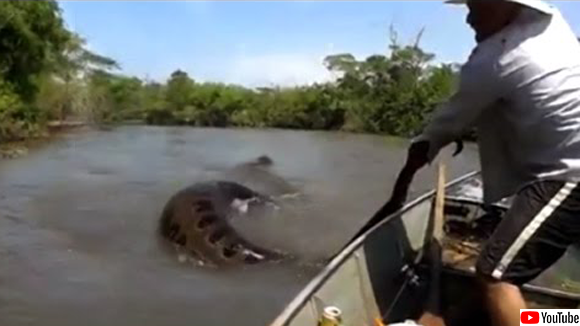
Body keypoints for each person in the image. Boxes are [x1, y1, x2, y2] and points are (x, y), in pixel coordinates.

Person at [407, 1, 580, 326]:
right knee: (501, 263)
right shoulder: (552, 25)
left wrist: (422, 147)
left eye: (479, 7)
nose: (470, 18)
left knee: (494, 274)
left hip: (570, 174)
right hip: (561, 168)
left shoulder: (493, 59)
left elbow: (450, 119)